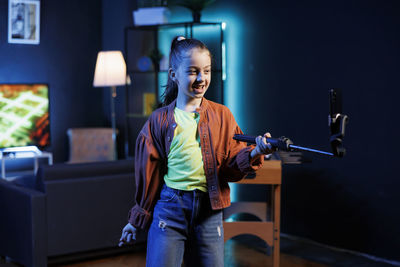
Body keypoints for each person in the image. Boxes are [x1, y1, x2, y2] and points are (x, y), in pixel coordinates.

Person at [119, 36, 274, 267]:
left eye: (207, 71)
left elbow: (231, 167)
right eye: (193, 71)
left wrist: (255, 152)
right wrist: (136, 218)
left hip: (209, 213)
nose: (201, 78)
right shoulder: (158, 121)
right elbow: (148, 175)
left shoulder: (223, 116)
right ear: (174, 75)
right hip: (169, 212)